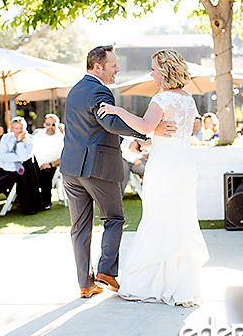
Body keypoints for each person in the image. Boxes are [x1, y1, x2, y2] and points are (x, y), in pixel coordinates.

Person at [60, 45, 175, 298]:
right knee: (114, 218)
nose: (118, 69)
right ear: (98, 67)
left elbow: (92, 130)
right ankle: (107, 273)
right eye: (114, 65)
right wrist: (150, 129)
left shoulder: (76, 90)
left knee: (79, 227)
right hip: (98, 168)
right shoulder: (99, 90)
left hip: (70, 169)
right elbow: (109, 121)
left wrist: (128, 141)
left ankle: (85, 284)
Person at [97, 49, 209, 306]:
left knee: (158, 217)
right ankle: (180, 284)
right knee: (179, 218)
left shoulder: (161, 99)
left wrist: (118, 111)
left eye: (154, 68)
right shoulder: (188, 100)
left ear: (165, 71)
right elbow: (172, 136)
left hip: (164, 169)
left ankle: (152, 283)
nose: (151, 73)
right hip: (183, 166)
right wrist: (145, 146)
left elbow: (146, 126)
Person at [32, 114, 64, 210]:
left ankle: (46, 203)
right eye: (48, 124)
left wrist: (50, 164)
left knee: (44, 173)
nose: (50, 127)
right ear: (44, 124)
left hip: (52, 165)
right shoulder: (38, 135)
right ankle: (27, 202)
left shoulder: (61, 138)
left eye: (53, 124)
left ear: (57, 125)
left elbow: (64, 158)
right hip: (35, 164)